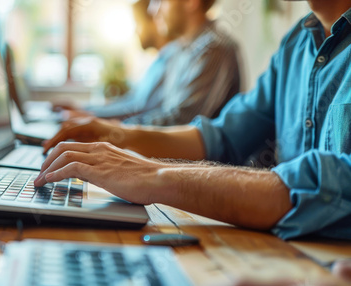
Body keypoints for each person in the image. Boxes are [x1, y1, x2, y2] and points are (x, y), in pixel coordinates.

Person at [35, 0, 351, 241]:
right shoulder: (296, 43)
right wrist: (114, 136)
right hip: (291, 251)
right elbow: (221, 136)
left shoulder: (214, 48)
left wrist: (154, 175)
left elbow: (339, 184)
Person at [61, 0, 242, 126]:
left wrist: (111, 127)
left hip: (198, 174)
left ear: (190, 2)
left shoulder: (214, 49)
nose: (153, 10)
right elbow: (148, 108)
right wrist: (94, 118)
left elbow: (181, 122)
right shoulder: (179, 50)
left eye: (160, 0)